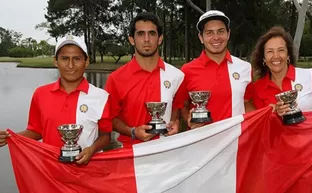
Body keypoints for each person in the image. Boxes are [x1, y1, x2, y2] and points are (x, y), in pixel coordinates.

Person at [0, 35, 112, 164]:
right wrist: (10, 137)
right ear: (55, 61)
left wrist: (92, 149)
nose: (70, 65)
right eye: (65, 58)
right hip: (51, 173)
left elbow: (106, 136)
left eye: (77, 59)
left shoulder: (101, 96)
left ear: (86, 62)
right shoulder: (40, 94)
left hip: (88, 173)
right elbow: (36, 131)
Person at [105, 12, 184, 147]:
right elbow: (110, 119)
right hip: (131, 157)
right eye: (141, 34)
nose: (146, 39)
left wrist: (176, 123)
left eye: (152, 34)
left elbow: (179, 111)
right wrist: (133, 131)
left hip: (167, 155)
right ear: (131, 39)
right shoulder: (116, 78)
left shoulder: (177, 76)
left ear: (160, 39)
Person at [174, 10, 255, 129]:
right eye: (209, 33)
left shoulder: (245, 68)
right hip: (202, 143)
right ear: (201, 37)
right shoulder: (187, 70)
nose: (216, 37)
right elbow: (182, 106)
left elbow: (248, 103)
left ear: (228, 34)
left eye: (221, 31)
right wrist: (190, 121)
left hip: (237, 142)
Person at [251, 26, 312, 114]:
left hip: (310, 128)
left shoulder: (308, 76)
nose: (276, 56)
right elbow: (259, 122)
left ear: (288, 55)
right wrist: (271, 114)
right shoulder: (257, 88)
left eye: (281, 50)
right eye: (270, 51)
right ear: (264, 59)